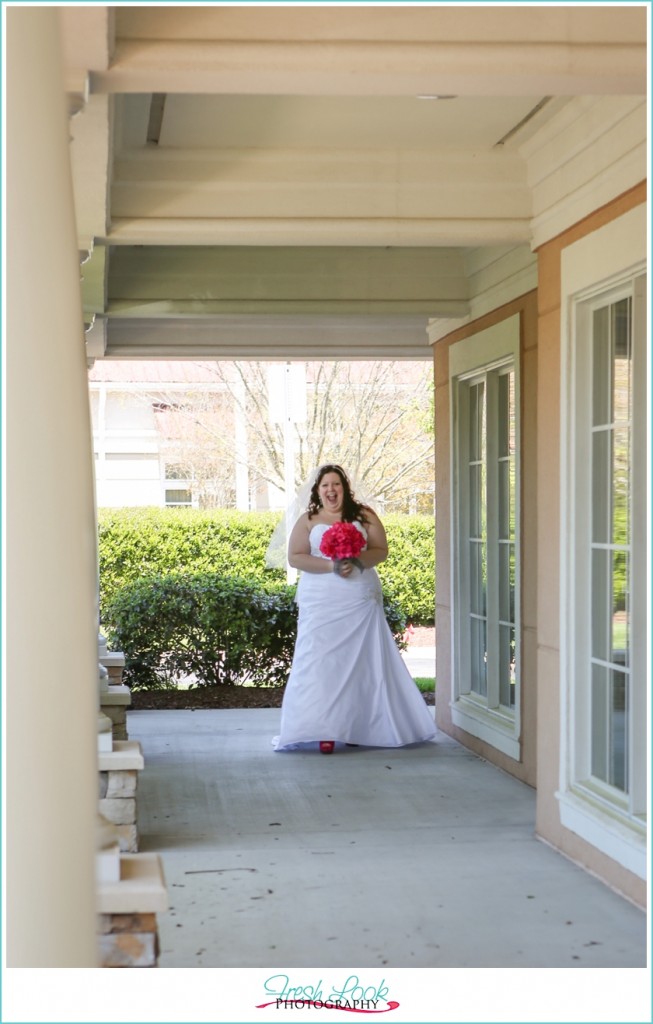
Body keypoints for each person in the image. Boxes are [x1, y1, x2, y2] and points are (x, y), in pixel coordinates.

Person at [273, 464, 436, 753]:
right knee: (320, 661)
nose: (331, 490)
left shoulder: (364, 515)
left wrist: (356, 561)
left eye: (336, 484)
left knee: (362, 661)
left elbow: (381, 550)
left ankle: (359, 725)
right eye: (325, 485)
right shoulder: (308, 519)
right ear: (318, 490)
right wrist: (331, 565)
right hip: (320, 598)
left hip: (358, 595)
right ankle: (323, 728)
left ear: (344, 488)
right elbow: (295, 557)